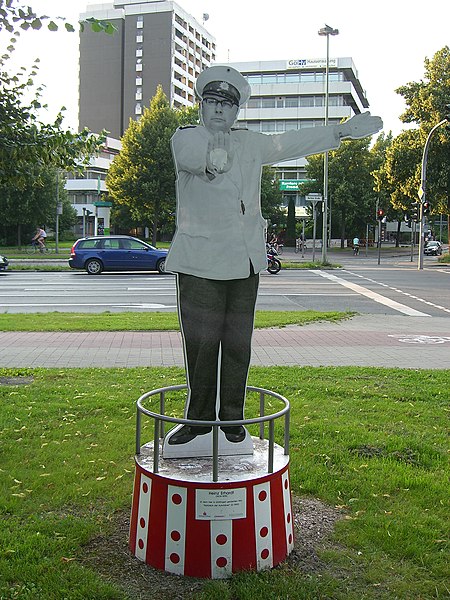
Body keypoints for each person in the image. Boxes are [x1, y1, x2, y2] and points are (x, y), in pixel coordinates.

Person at [165, 65, 383, 445]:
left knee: (237, 344)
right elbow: (195, 158)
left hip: (244, 261)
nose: (219, 110)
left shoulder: (250, 144)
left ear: (236, 112)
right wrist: (212, 158)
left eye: (227, 105)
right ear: (201, 106)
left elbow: (290, 142)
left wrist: (341, 131)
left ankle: (232, 418)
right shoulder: (186, 138)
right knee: (202, 345)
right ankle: (198, 420)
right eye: (212, 102)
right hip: (200, 262)